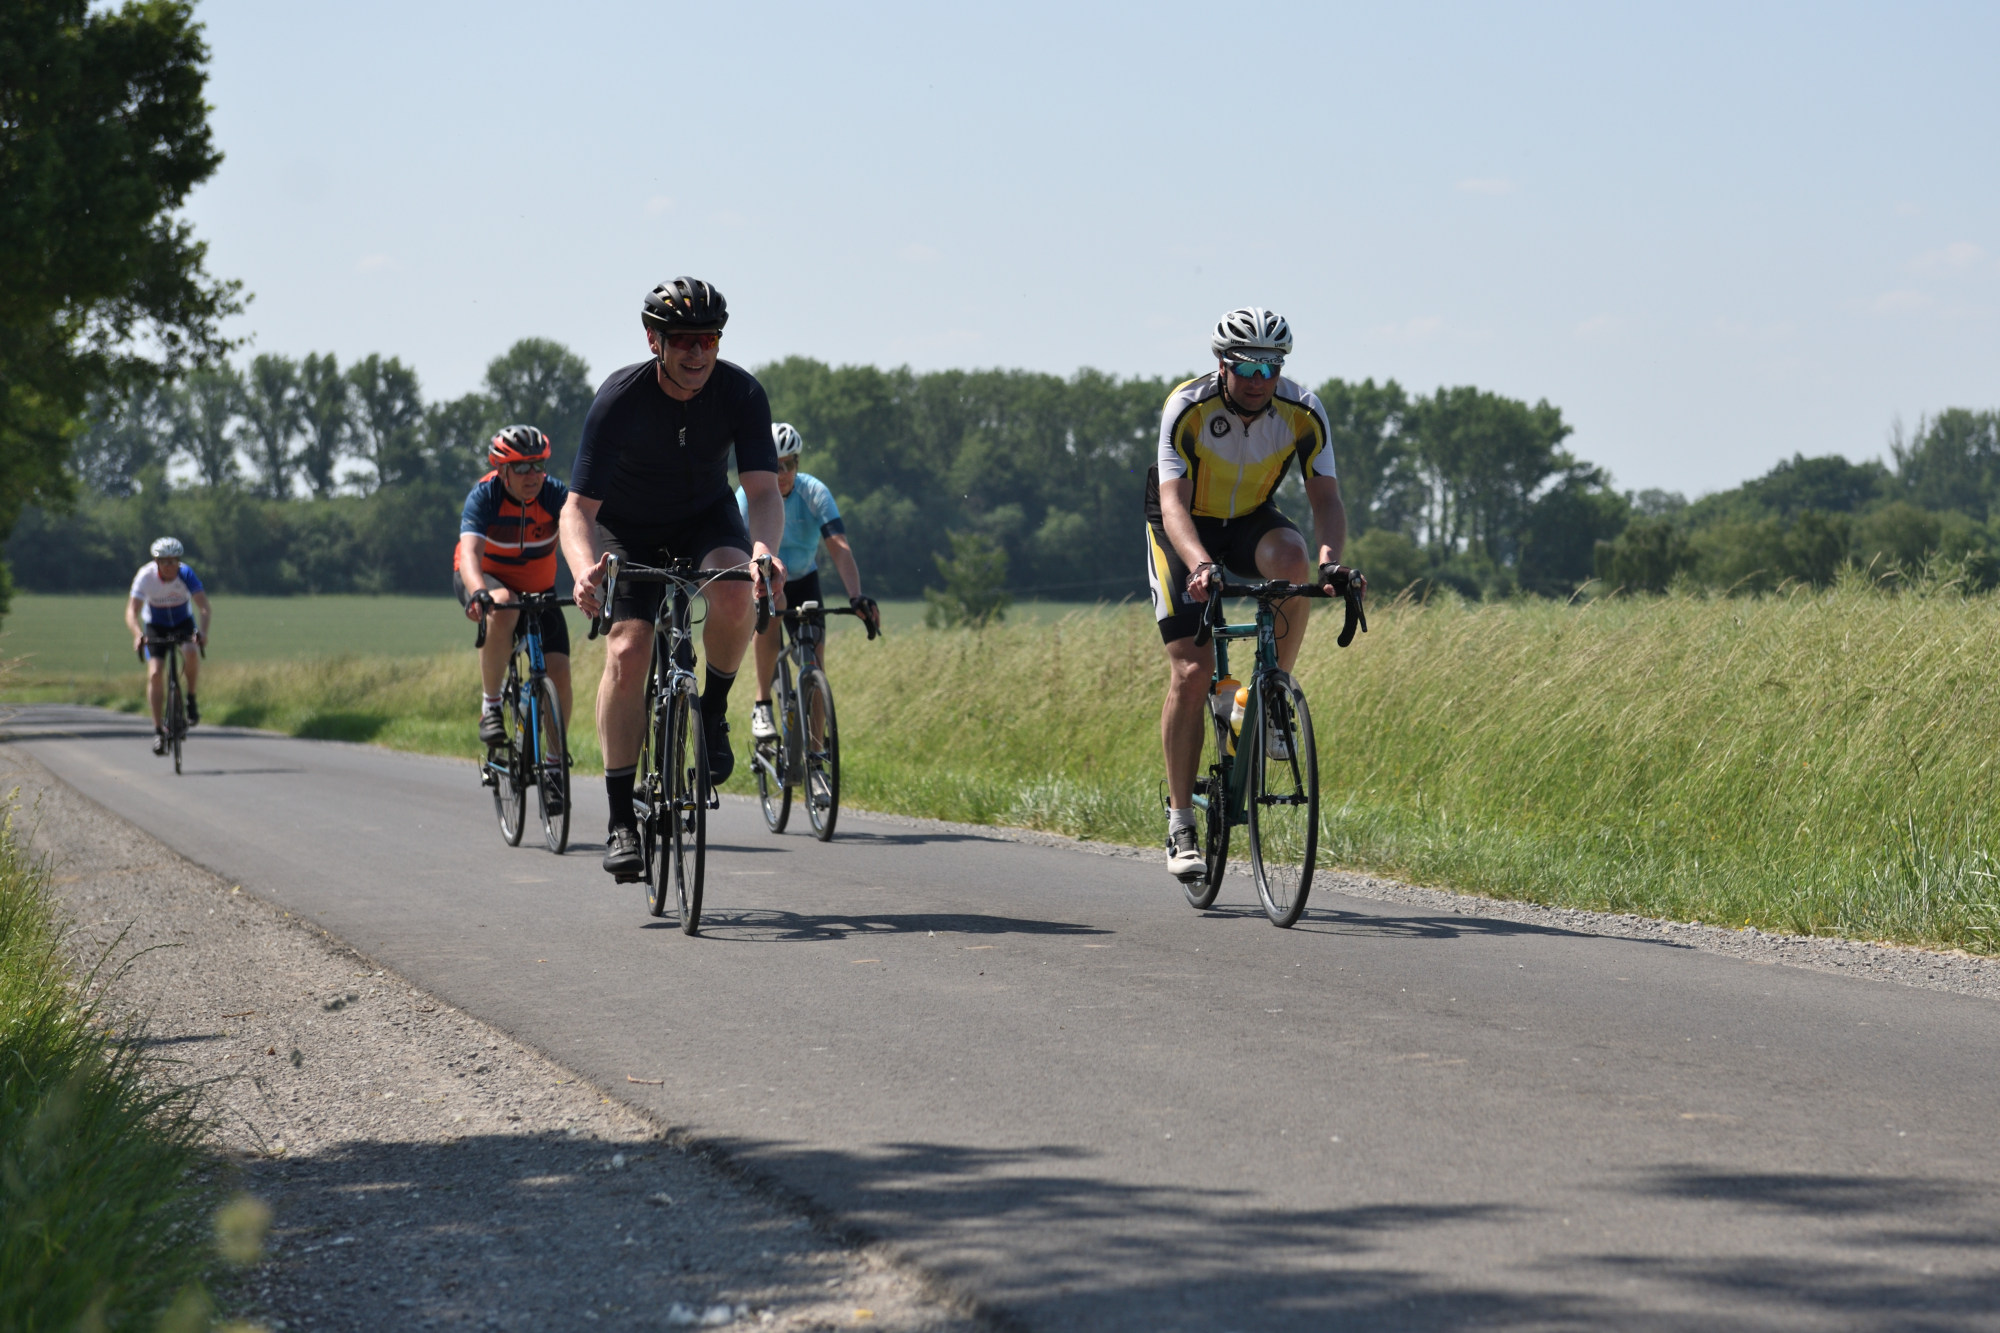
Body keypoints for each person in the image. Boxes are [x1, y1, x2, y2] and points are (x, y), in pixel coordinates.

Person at [559, 277, 786, 881]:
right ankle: (619, 820)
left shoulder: (741, 392)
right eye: (683, 339)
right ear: (653, 340)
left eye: (709, 339)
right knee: (628, 650)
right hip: (627, 530)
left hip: (705, 519)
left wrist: (763, 552)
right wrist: (583, 573)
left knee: (736, 590)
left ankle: (711, 711)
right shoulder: (621, 398)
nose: (697, 352)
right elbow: (577, 510)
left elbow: (763, 492)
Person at [1145, 306, 1364, 881]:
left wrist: (1331, 563)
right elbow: (1172, 503)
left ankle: (1265, 697)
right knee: (1192, 672)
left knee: (1293, 561)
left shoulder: (1303, 411)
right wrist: (1199, 564)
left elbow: (1325, 499)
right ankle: (1180, 822)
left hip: (1248, 519)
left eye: (1271, 367)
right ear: (1222, 364)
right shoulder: (1187, 406)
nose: (1259, 379)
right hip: (1182, 526)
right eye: (1247, 366)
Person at [735, 423, 879, 743]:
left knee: (815, 661)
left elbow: (838, 547)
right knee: (773, 609)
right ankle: (762, 703)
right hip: (765, 579)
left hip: (804, 579)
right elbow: (734, 545)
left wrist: (856, 596)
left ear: (798, 463)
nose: (783, 473)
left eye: (789, 464)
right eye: (775, 465)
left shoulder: (814, 492)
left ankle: (815, 753)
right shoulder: (748, 495)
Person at [454, 425, 573, 746]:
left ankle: (555, 761)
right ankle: (491, 706)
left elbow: (578, 538)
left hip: (539, 590)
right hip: (486, 579)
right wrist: (478, 592)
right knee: (504, 605)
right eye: (521, 467)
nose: (532, 474)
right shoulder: (486, 496)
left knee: (559, 671)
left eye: (538, 465)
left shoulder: (554, 495)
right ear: (502, 470)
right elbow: (469, 555)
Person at [125, 537, 211, 754]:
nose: (170, 566)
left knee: (191, 652)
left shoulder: (186, 574)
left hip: (183, 622)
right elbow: (131, 611)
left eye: (174, 561)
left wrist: (203, 633)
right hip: (156, 625)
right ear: (157, 562)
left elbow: (204, 607)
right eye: (165, 562)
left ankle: (191, 698)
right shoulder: (145, 576)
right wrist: (138, 635)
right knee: (155, 673)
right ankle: (157, 730)